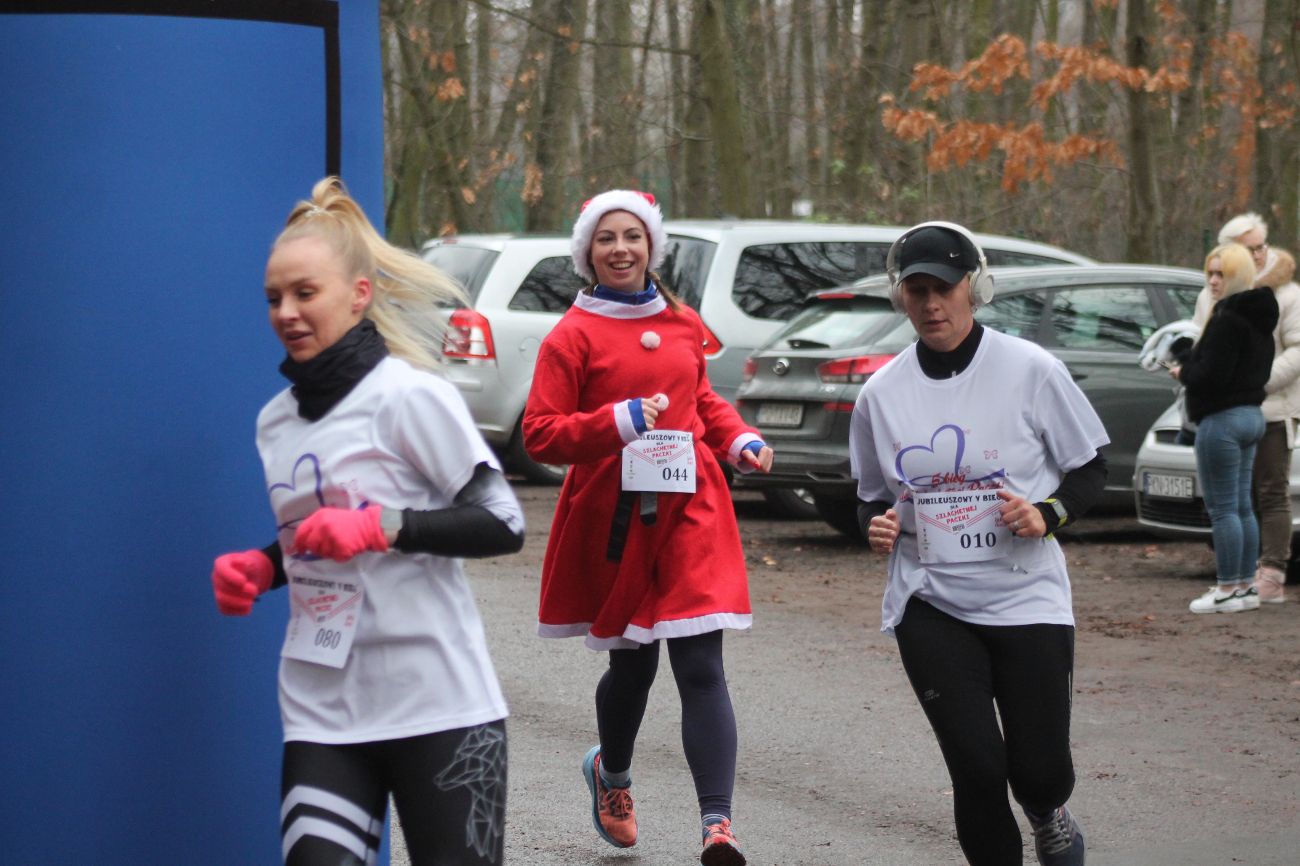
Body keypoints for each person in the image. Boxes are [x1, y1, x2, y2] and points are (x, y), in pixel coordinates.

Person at [209, 177, 525, 866]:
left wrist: (387, 526)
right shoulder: (275, 423)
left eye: (305, 293)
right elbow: (308, 536)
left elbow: (503, 521)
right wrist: (264, 567)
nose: (286, 312)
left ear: (358, 296)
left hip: (440, 706)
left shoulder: (411, 398)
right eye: (274, 298)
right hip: (323, 709)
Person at [522, 189, 772, 866]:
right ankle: (614, 773)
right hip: (617, 513)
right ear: (587, 253)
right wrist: (618, 422)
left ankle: (717, 824)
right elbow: (540, 435)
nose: (622, 249)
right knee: (633, 668)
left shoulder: (684, 322)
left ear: (652, 247)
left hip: (693, 507)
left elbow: (704, 399)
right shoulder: (570, 335)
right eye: (607, 239)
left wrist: (739, 438)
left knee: (699, 661)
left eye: (633, 236)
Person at [849, 221, 1108, 866]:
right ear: (900, 298)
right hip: (931, 600)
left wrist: (1047, 513)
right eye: (918, 290)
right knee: (976, 766)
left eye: (946, 287)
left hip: (1028, 598)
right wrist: (875, 524)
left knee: (1040, 771)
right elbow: (871, 496)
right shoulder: (880, 393)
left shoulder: (1031, 370)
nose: (933, 304)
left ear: (975, 287)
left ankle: (1048, 812)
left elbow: (1090, 466)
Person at [1194, 214, 1300, 604]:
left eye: (1261, 245)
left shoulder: (1287, 295)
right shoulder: (1212, 293)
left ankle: (1269, 572)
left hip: (1268, 406)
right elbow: (1202, 341)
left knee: (1269, 492)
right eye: (1248, 247)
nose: (1259, 253)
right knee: (1240, 499)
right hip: (1231, 404)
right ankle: (1241, 578)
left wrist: (1256, 383)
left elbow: (1297, 349)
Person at [1171, 243, 1278, 614]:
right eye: (1211, 273)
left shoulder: (1227, 318)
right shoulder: (1260, 315)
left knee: (1224, 509)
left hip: (1223, 420)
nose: (1214, 281)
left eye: (1222, 274)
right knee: (1242, 507)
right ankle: (1246, 585)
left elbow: (1208, 375)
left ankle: (1228, 587)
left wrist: (1183, 367)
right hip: (1251, 415)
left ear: (1238, 276)